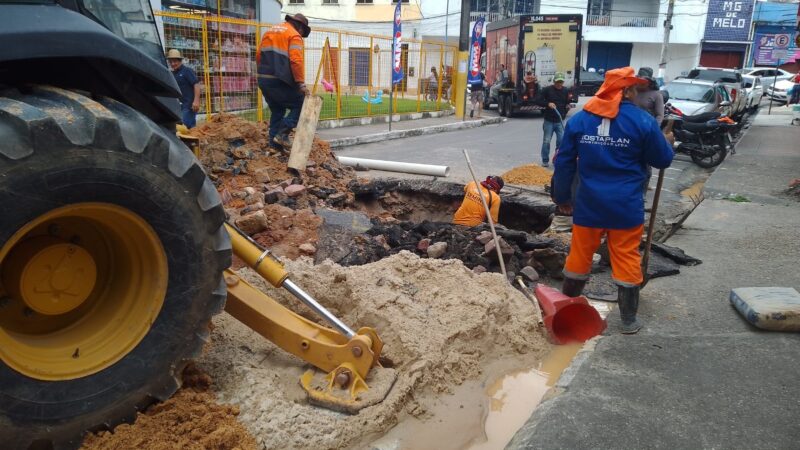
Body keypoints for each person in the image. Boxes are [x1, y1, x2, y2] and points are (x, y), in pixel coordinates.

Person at [551, 66, 674, 334]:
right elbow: (662, 159)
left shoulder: (580, 120)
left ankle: (566, 310)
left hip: (588, 205)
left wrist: (562, 197)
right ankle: (629, 320)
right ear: (628, 90)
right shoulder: (642, 121)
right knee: (626, 258)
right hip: (625, 206)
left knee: (579, 256)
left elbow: (563, 163)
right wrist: (667, 142)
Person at [256, 13, 311, 150]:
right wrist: (300, 84)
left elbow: (258, 56)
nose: (302, 34)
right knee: (302, 103)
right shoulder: (294, 35)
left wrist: (263, 74)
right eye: (303, 31)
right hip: (279, 80)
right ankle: (283, 133)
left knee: (277, 109)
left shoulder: (270, 31)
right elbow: (296, 60)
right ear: (300, 27)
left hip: (264, 79)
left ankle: (273, 144)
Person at [633, 66, 665, 196]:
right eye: (638, 80)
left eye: (643, 81)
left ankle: (642, 194)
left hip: (646, 133)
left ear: (649, 82)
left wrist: (653, 130)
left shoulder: (656, 95)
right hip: (630, 131)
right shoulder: (631, 91)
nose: (640, 83)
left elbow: (659, 115)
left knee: (645, 166)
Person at [534, 72, 574, 167]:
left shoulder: (565, 91)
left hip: (560, 121)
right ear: (554, 81)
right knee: (547, 141)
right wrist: (548, 104)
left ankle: (557, 158)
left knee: (561, 141)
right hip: (549, 120)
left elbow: (567, 102)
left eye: (561, 82)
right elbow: (538, 100)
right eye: (557, 82)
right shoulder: (547, 90)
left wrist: (568, 105)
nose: (559, 84)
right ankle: (545, 160)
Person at [167, 49, 200, 129]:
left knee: (184, 126)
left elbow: (196, 85)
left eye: (175, 61)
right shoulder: (172, 74)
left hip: (189, 106)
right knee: (185, 127)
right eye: (171, 62)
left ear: (180, 61)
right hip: (179, 106)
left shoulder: (187, 71)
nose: (173, 64)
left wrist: (196, 101)